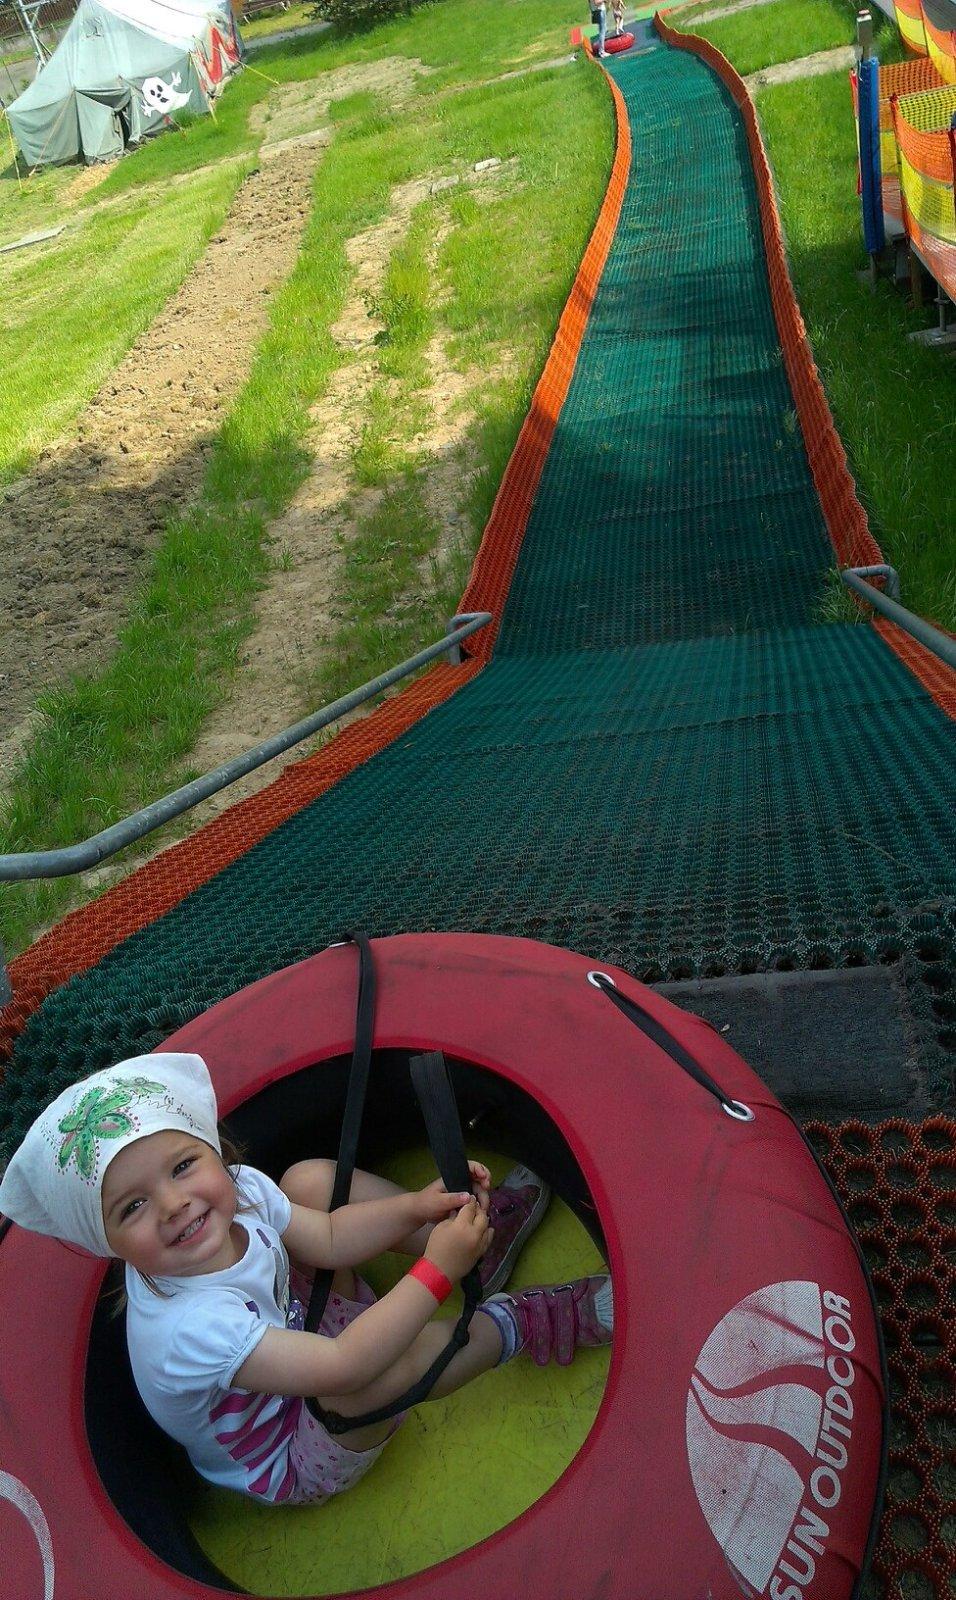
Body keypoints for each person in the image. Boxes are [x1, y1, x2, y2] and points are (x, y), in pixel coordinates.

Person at [0, 1053, 613, 1506]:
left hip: (301, 1322)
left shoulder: (239, 1191)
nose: (173, 1204)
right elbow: (341, 1367)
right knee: (359, 1387)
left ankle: (476, 1241)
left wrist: (417, 1211)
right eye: (132, 1206)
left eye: (183, 1166)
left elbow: (330, 1237)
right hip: (296, 1440)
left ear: (215, 1151)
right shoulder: (188, 1329)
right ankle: (517, 1324)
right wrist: (436, 1271)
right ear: (108, 1243)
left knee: (309, 1183)